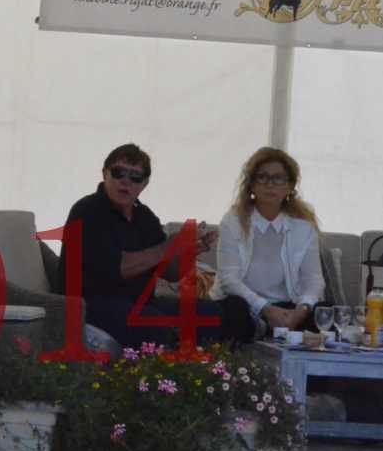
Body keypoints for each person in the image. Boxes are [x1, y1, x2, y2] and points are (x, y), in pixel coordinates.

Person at [58, 143, 253, 352]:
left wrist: (189, 251)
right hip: (89, 305)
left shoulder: (144, 217)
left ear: (144, 184)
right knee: (155, 326)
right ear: (105, 173)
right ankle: (178, 372)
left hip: (141, 303)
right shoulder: (87, 211)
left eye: (135, 177)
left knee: (227, 311)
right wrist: (171, 245)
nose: (125, 181)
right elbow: (120, 268)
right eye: (118, 173)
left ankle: (227, 374)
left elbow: (170, 273)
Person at [214, 147, 323, 336]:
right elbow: (228, 279)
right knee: (233, 309)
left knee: (324, 310)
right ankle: (264, 328)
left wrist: (301, 311)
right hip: (247, 304)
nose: (270, 185)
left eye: (278, 178)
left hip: (287, 307)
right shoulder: (233, 221)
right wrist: (265, 309)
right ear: (252, 185)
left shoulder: (303, 227)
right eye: (262, 177)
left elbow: (313, 280)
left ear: (289, 186)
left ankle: (276, 328)